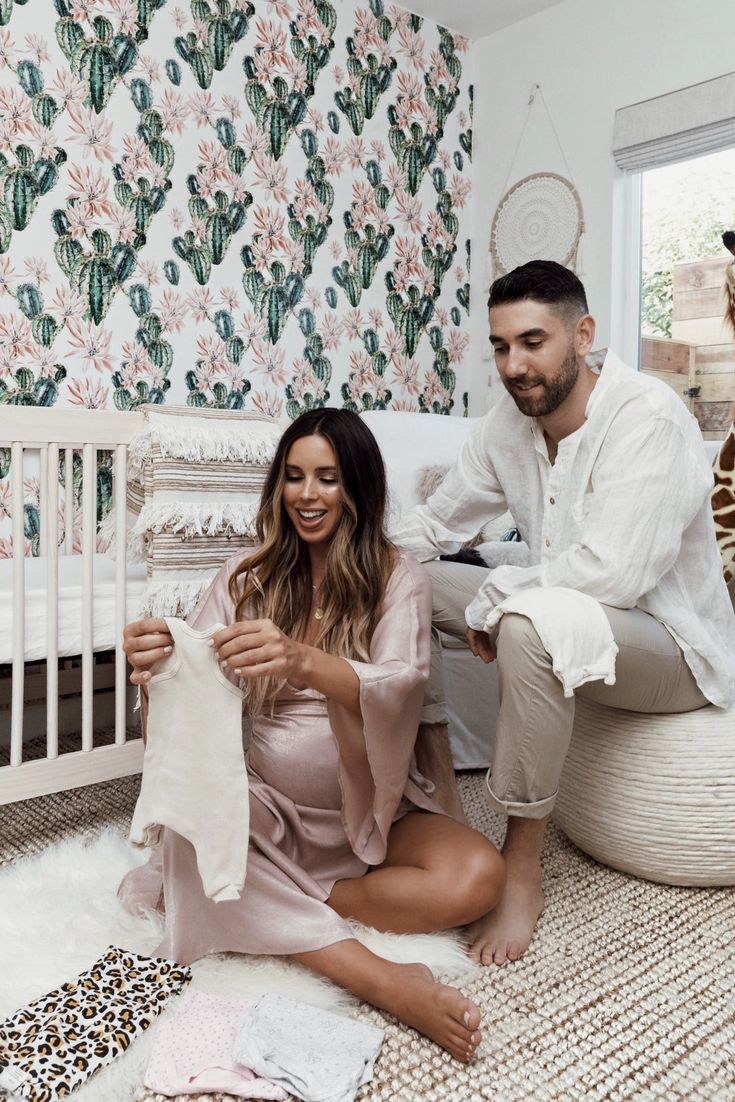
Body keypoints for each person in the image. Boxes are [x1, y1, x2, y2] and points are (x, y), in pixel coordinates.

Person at [120, 408, 505, 1063]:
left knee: (477, 877)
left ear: (358, 487)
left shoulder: (397, 578)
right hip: (271, 810)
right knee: (189, 829)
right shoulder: (247, 578)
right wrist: (155, 670)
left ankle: (262, 899)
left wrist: (300, 660)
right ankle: (375, 974)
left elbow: (400, 683)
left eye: (326, 478)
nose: (306, 494)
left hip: (376, 811)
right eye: (293, 477)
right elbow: (183, 718)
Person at [393, 260, 735, 968]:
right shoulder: (505, 426)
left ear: (581, 334)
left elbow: (613, 573)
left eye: (532, 341)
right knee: (404, 582)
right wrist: (329, 560)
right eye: (499, 346)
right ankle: (438, 795)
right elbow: (433, 524)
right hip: (570, 620)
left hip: (670, 649)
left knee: (527, 621)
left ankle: (521, 866)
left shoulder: (645, 416)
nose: (513, 365)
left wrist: (495, 595)